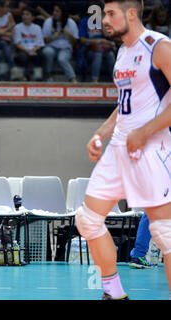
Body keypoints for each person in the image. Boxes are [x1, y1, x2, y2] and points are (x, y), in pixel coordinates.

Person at [76, 0, 171, 300]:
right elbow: (124, 107)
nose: (104, 19)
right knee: (88, 220)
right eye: (104, 13)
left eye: (110, 13)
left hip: (152, 148)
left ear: (131, 13)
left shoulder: (158, 46)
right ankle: (114, 294)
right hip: (118, 147)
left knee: (165, 235)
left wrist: (145, 131)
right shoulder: (123, 52)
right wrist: (100, 134)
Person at [78, 0, 116, 83]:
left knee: (110, 55)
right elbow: (82, 40)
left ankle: (115, 80)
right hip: (89, 50)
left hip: (103, 48)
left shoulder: (103, 21)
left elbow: (107, 35)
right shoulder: (84, 21)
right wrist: (97, 41)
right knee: (98, 55)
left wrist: (102, 20)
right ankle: (95, 80)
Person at [41, 3, 78, 82]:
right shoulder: (48, 21)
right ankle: (49, 76)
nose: (54, 13)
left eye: (57, 11)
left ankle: (72, 79)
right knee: (47, 52)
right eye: (54, 11)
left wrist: (69, 35)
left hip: (65, 48)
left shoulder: (71, 23)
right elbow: (44, 41)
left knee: (62, 59)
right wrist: (53, 37)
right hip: (51, 46)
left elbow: (74, 43)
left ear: (63, 13)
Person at [12, 6, 44, 81]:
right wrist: (28, 51)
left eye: (27, 14)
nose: (24, 16)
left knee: (40, 55)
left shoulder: (37, 28)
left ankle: (38, 77)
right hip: (22, 50)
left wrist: (33, 50)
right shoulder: (17, 27)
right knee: (23, 56)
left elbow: (40, 44)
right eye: (23, 14)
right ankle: (25, 77)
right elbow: (17, 44)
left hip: (34, 50)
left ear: (32, 17)